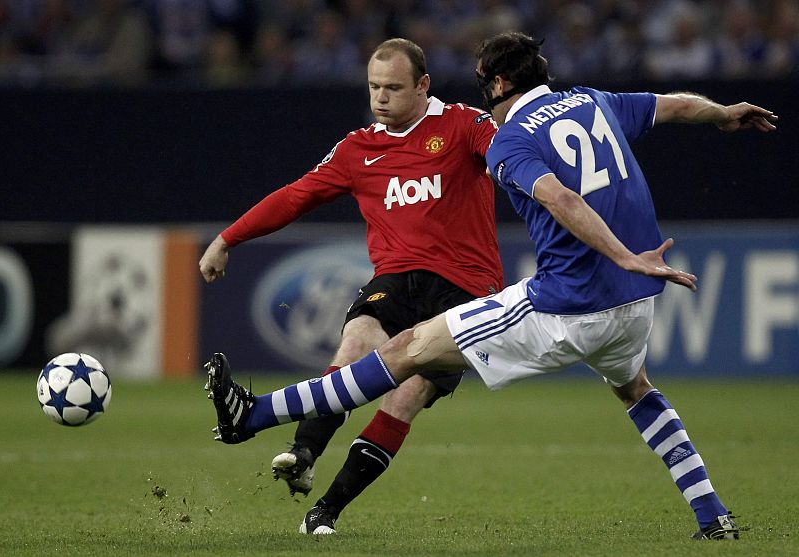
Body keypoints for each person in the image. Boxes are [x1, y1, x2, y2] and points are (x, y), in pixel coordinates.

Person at [205, 31, 779, 540]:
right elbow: (670, 106)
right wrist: (721, 113)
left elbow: (560, 198)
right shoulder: (594, 102)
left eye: (483, 84)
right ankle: (712, 514)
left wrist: (627, 256)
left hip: (563, 306)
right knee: (637, 392)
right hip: (630, 308)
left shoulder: (504, 139)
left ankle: (251, 417)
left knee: (404, 353)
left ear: (499, 82)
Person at [200, 38, 503, 535]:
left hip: (467, 293)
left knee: (403, 394)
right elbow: (296, 197)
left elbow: (512, 156)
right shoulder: (358, 148)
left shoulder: (464, 125)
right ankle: (304, 452)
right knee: (356, 339)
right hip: (395, 280)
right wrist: (228, 237)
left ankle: (327, 510)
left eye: (393, 88)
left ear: (423, 85)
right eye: (373, 87)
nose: (381, 98)